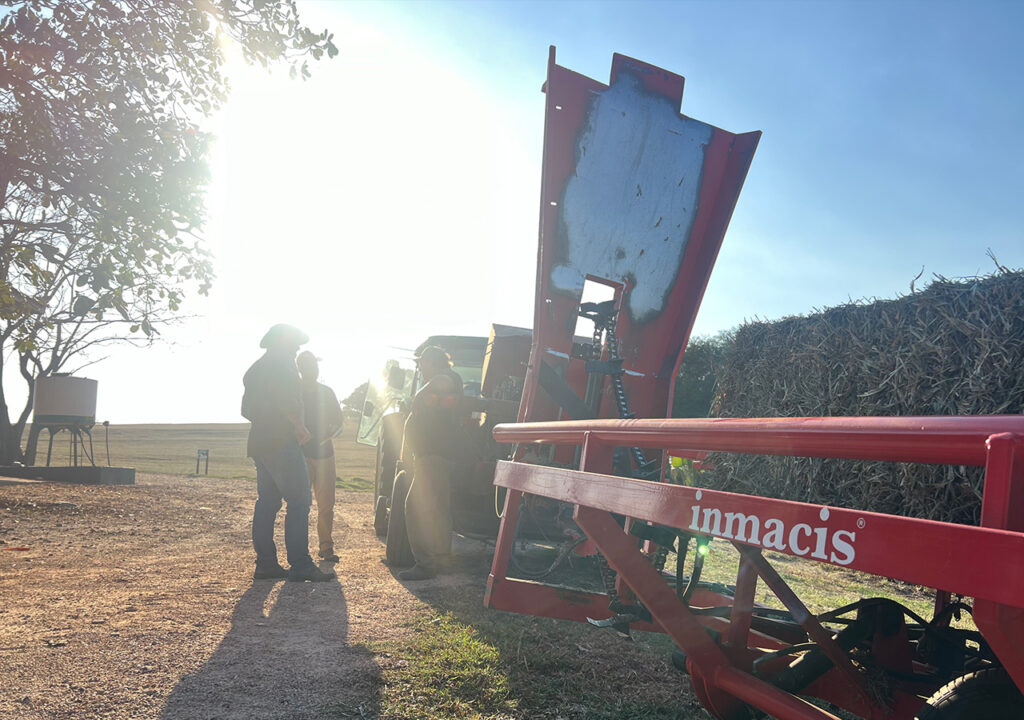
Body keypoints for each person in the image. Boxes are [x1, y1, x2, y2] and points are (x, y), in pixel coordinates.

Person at [242, 324, 334, 583]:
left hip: (259, 443)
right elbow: (288, 400)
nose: (296, 350)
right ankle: (300, 564)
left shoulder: (256, 369)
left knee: (267, 503)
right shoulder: (283, 365)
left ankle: (266, 564)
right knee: (299, 501)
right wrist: (298, 425)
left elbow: (246, 409)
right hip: (282, 442)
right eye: (294, 345)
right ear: (284, 343)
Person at [397, 345, 464, 581]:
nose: (419, 368)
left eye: (421, 363)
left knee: (416, 508)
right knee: (438, 509)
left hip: (434, 456)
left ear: (432, 362)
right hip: (433, 456)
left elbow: (444, 381)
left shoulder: (448, 378)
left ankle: (425, 564)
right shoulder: (441, 381)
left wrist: (418, 395)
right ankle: (442, 560)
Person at [296, 350, 344, 563]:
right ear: (300, 368)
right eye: (307, 366)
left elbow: (339, 421)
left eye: (314, 365)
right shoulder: (293, 392)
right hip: (300, 455)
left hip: (325, 454)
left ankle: (326, 547)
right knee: (300, 504)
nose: (312, 370)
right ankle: (300, 549)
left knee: (326, 505)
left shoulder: (327, 392)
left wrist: (331, 430)